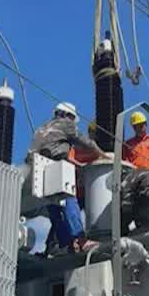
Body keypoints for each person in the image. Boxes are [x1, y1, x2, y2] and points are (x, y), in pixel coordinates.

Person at [28, 103, 103, 253]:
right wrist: (102, 154)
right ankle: (81, 240)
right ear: (69, 116)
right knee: (69, 199)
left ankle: (63, 242)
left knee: (53, 206)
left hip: (38, 167)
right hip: (57, 164)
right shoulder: (66, 124)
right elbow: (86, 143)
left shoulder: (42, 128)